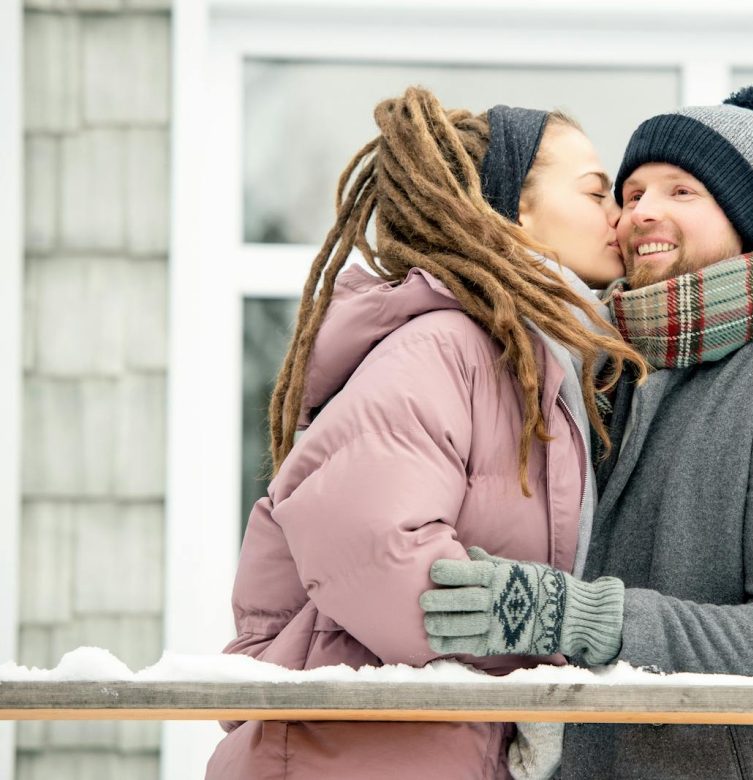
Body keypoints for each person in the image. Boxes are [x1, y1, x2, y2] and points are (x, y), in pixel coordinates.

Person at [421, 83, 753, 779]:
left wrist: (583, 618)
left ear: (745, 217)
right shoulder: (594, 370)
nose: (642, 213)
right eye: (629, 195)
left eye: (680, 192)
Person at [205, 86, 646, 779]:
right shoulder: (446, 346)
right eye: (596, 193)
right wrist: (549, 642)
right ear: (520, 210)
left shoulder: (538, 367)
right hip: (349, 757)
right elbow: (379, 548)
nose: (620, 217)